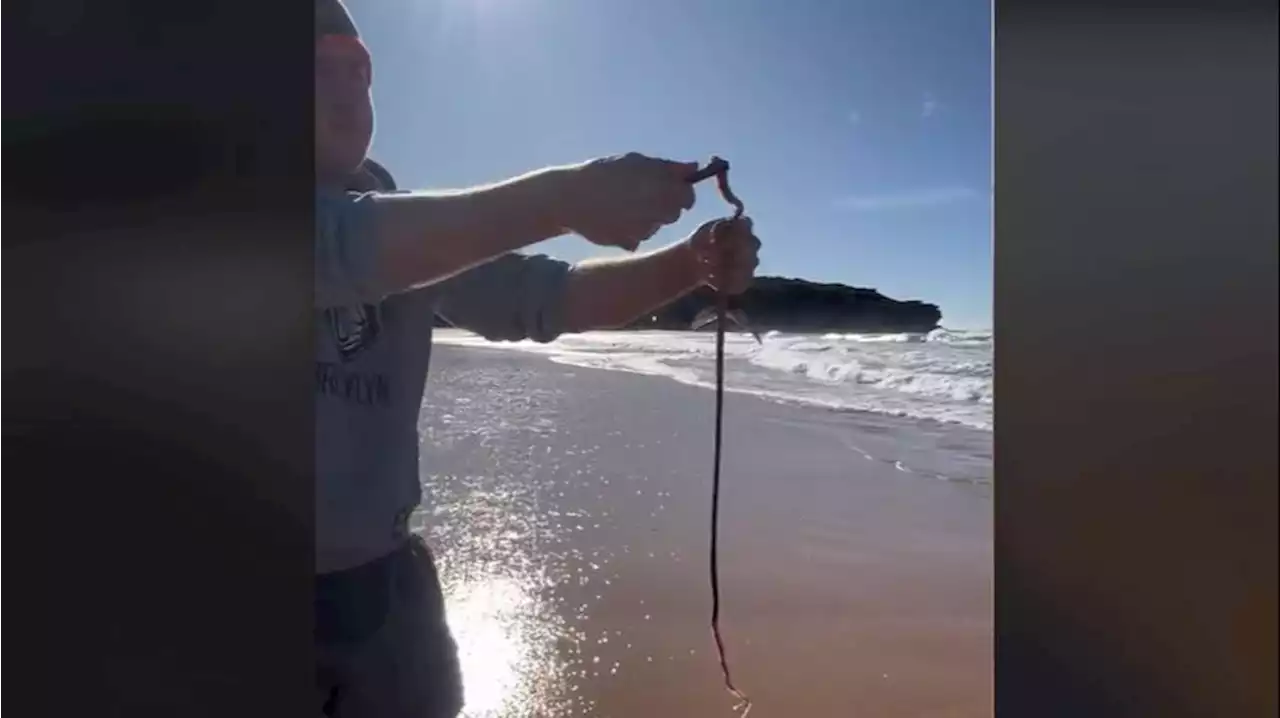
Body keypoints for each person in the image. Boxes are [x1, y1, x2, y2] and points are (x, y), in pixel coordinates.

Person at [314, 1, 763, 715]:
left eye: (357, 68)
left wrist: (689, 265)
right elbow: (350, 247)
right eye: (314, 67)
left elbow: (547, 298)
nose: (345, 86)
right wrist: (566, 197)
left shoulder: (403, 218)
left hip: (387, 587)